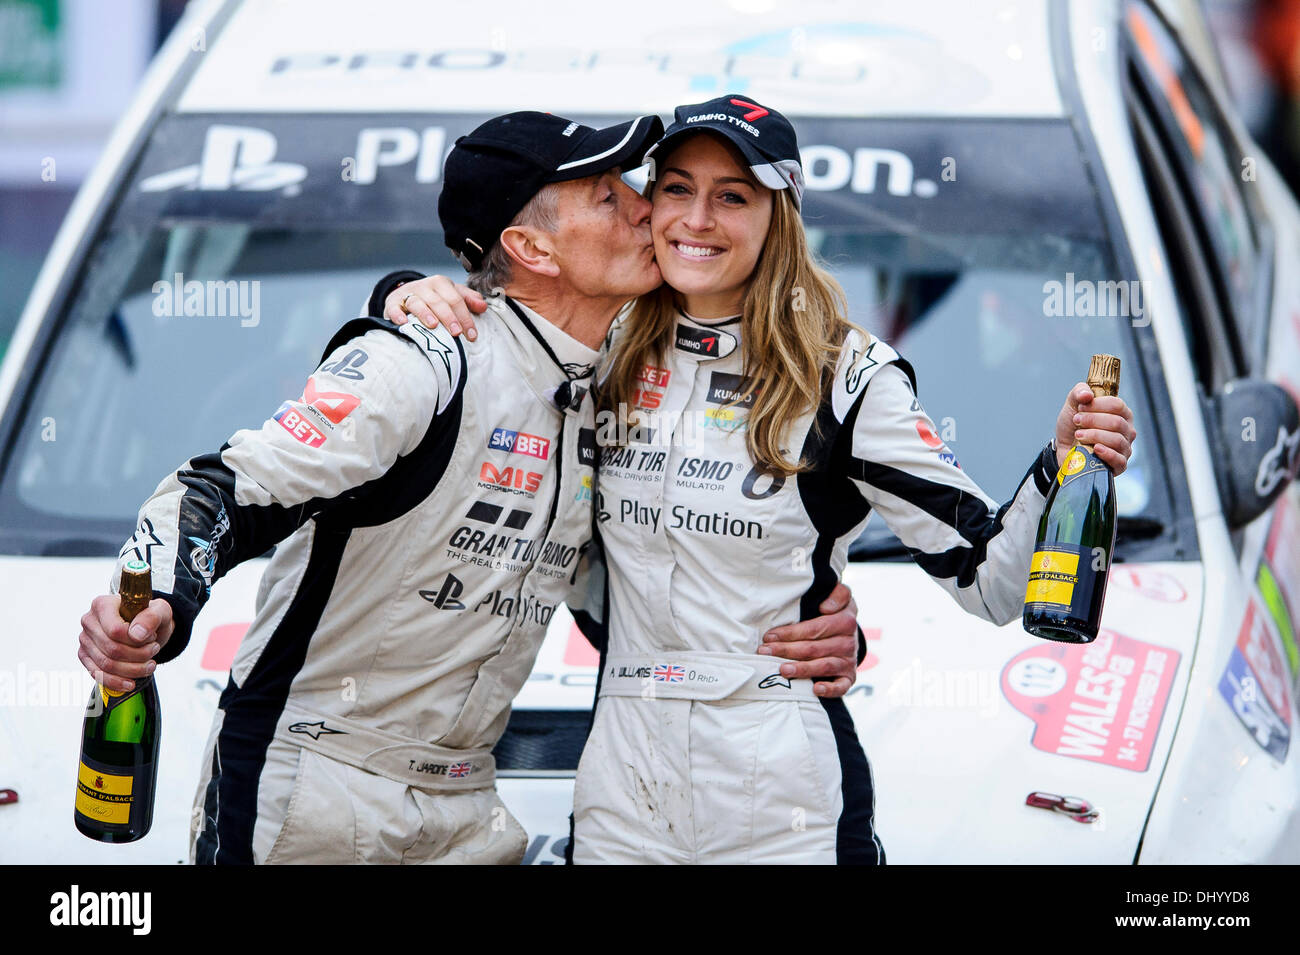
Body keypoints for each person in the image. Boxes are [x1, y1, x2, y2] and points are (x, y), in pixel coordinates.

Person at [75, 108, 857, 865]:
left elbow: (640, 590)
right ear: (531, 247)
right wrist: (154, 606)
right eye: (610, 197)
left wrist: (798, 628)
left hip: (467, 806)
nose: (648, 209)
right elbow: (218, 488)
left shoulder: (612, 385)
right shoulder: (427, 360)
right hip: (315, 792)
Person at [381, 94, 1139, 865]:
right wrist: (402, 295)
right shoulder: (597, 351)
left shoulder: (846, 377)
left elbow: (990, 582)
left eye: (732, 196)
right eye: (676, 188)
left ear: (778, 216)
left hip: (784, 805)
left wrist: (1057, 464)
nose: (696, 218)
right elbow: (487, 339)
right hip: (622, 800)